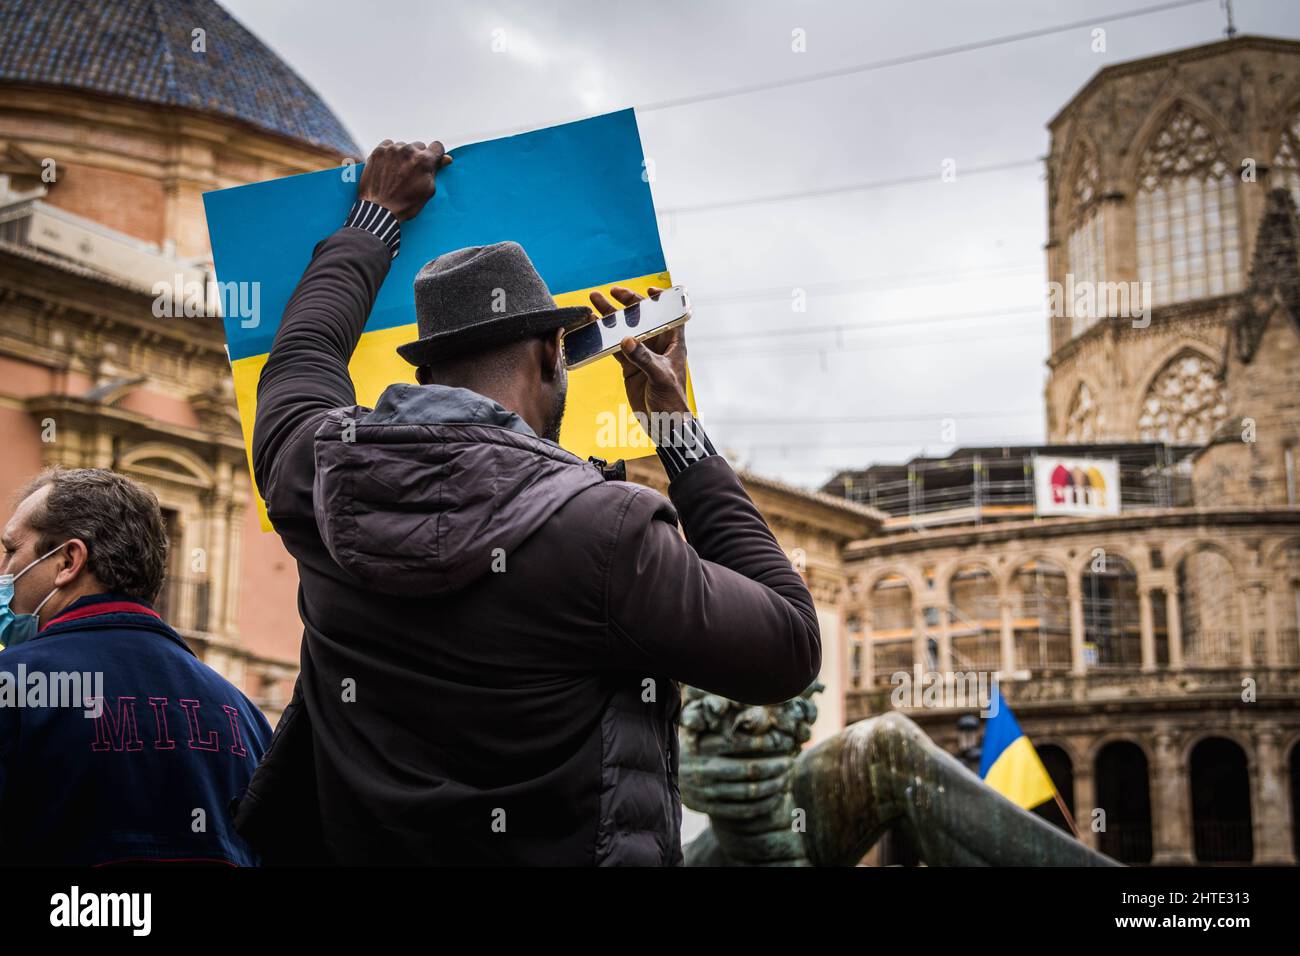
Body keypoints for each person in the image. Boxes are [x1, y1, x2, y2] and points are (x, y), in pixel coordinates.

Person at [244, 138, 820, 865]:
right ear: (553, 352)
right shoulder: (608, 531)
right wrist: (676, 431)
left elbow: (300, 358)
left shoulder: (314, 472)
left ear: (427, 367)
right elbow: (790, 645)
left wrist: (376, 214)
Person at [0, 468, 272, 865]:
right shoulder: (244, 714)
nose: (5, 570)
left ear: (69, 561)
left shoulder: (12, 683)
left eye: (11, 550)